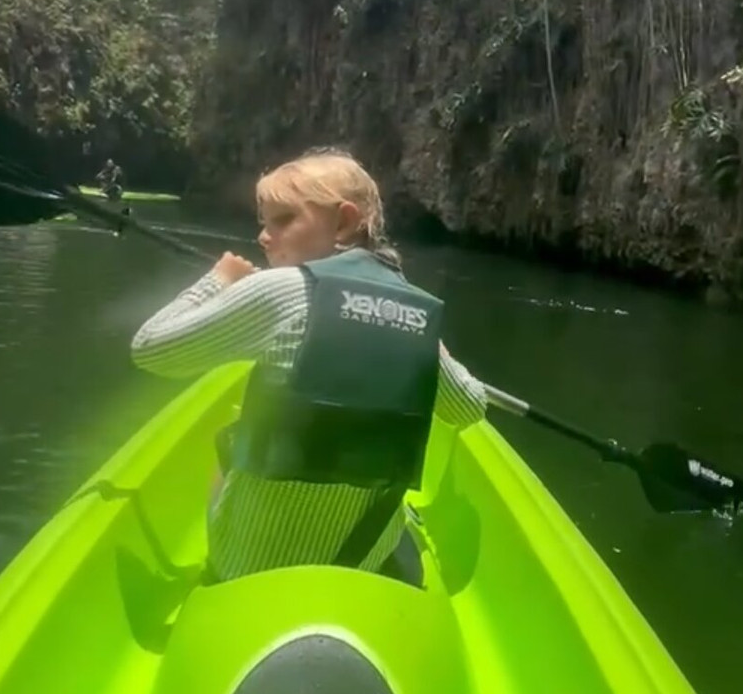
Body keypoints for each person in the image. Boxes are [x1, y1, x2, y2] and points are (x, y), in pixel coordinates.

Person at [130, 147, 488, 583]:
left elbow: (149, 348)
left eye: (282, 220)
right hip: (361, 563)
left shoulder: (276, 290)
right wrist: (439, 349)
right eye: (264, 222)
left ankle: (219, 563)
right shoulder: (417, 312)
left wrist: (218, 282)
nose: (264, 236)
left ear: (343, 222)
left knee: (229, 440)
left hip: (247, 569)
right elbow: (470, 407)